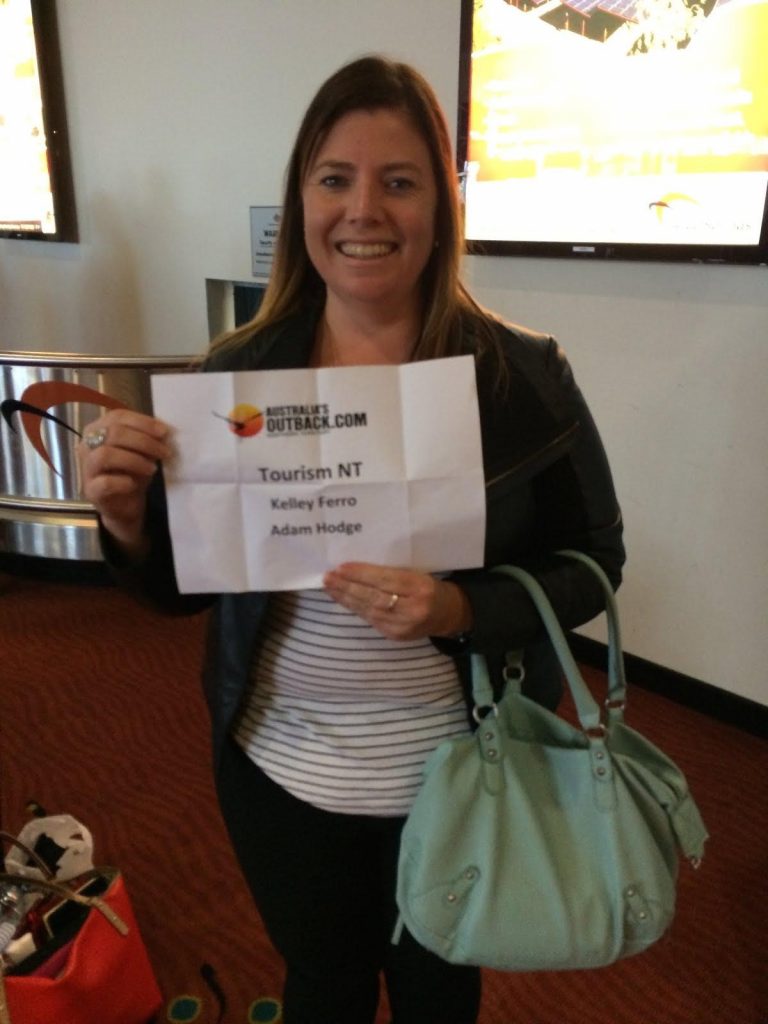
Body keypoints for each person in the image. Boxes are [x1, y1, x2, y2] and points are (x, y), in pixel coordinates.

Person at [78, 55, 624, 1024]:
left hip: (464, 774)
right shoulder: (238, 372)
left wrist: (461, 606)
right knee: (321, 984)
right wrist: (127, 521)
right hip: (281, 771)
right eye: (335, 178)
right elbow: (187, 589)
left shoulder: (522, 376)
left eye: (399, 181)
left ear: (440, 206)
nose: (362, 209)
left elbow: (596, 561)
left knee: (438, 990)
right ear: (302, 198)